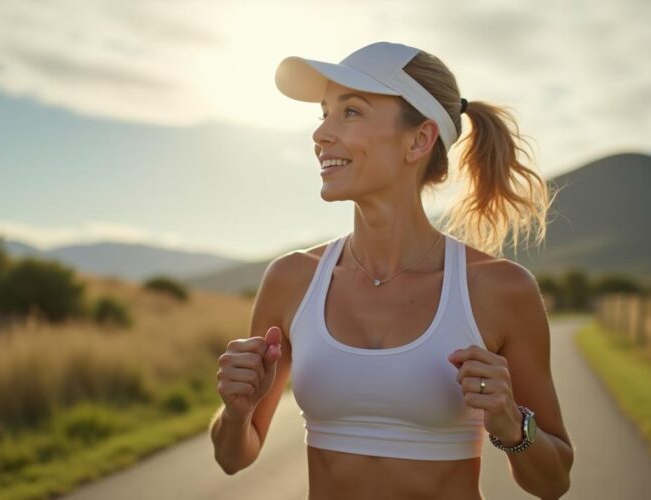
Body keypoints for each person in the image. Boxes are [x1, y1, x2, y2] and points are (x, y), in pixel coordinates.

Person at [210, 41, 574, 500]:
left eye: (351, 112)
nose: (321, 133)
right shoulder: (291, 279)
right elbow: (233, 457)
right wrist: (237, 414)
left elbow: (553, 481)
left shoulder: (499, 289)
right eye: (322, 113)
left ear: (419, 139)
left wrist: (509, 421)